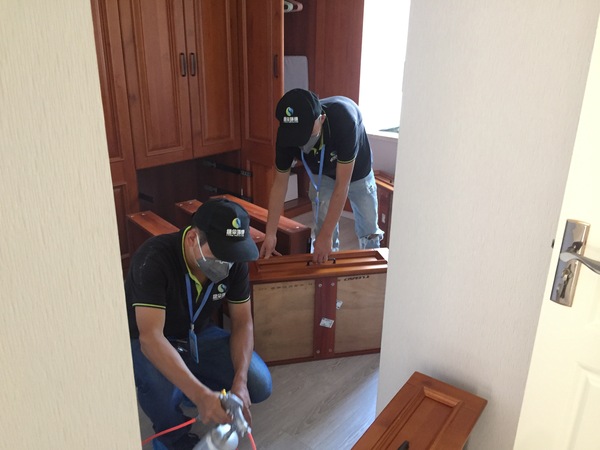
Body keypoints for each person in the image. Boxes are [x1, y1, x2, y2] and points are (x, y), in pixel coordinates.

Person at [126, 198, 272, 450]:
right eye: (220, 255)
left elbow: (242, 322)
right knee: (160, 389)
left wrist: (239, 381)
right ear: (193, 238)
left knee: (259, 383)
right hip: (150, 340)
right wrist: (201, 396)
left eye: (232, 257)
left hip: (198, 335)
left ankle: (188, 386)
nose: (227, 264)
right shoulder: (153, 259)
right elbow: (151, 338)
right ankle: (172, 438)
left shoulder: (233, 261)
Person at [259, 88, 383, 263]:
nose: (301, 141)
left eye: (305, 132)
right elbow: (279, 185)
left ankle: (372, 268)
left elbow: (342, 185)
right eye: (295, 134)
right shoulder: (285, 137)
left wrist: (326, 236)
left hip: (358, 173)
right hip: (322, 173)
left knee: (369, 228)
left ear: (322, 119)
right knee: (323, 228)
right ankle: (328, 269)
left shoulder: (344, 120)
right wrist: (270, 234)